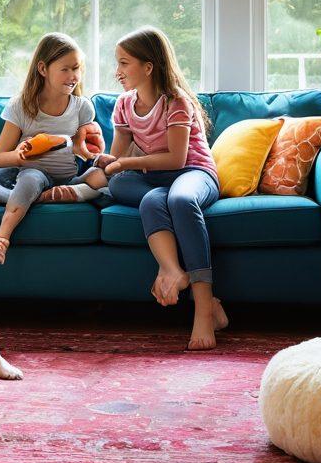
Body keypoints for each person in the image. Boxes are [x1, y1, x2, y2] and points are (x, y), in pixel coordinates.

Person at [78, 26, 228, 350]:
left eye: (124, 63)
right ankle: (173, 269)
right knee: (145, 197)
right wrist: (93, 160)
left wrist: (127, 164)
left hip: (193, 172)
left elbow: (176, 160)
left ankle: (203, 308)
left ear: (148, 67)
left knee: (181, 198)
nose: (117, 72)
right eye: (117, 63)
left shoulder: (176, 102)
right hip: (155, 181)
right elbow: (116, 159)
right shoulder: (123, 104)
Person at [0, 33, 103, 266]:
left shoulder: (82, 107)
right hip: (29, 173)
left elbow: (86, 151)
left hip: (67, 178)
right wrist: (20, 155)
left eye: (76, 68)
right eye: (65, 69)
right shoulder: (22, 105)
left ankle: (29, 199)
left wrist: (87, 151)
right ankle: (3, 236)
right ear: (43, 68)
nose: (73, 76)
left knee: (102, 179)